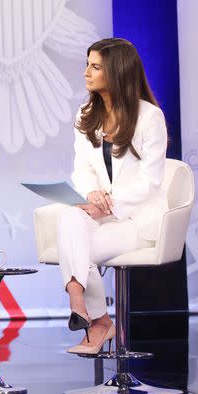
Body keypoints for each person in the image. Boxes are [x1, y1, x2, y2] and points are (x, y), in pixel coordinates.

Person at [57, 38, 168, 354]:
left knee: (77, 248)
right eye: (87, 64)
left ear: (117, 72)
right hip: (100, 210)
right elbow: (81, 169)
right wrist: (91, 193)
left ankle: (94, 316)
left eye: (95, 67)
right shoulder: (85, 114)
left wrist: (110, 201)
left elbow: (151, 180)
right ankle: (86, 303)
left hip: (136, 217)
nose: (86, 73)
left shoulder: (149, 117)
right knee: (69, 216)